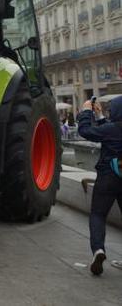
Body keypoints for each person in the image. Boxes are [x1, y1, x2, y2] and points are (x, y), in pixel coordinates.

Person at [77, 96, 122, 276]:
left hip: (108, 177)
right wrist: (100, 115)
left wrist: (87, 111)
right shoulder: (111, 129)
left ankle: (98, 250)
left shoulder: (111, 129)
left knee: (98, 214)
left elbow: (86, 131)